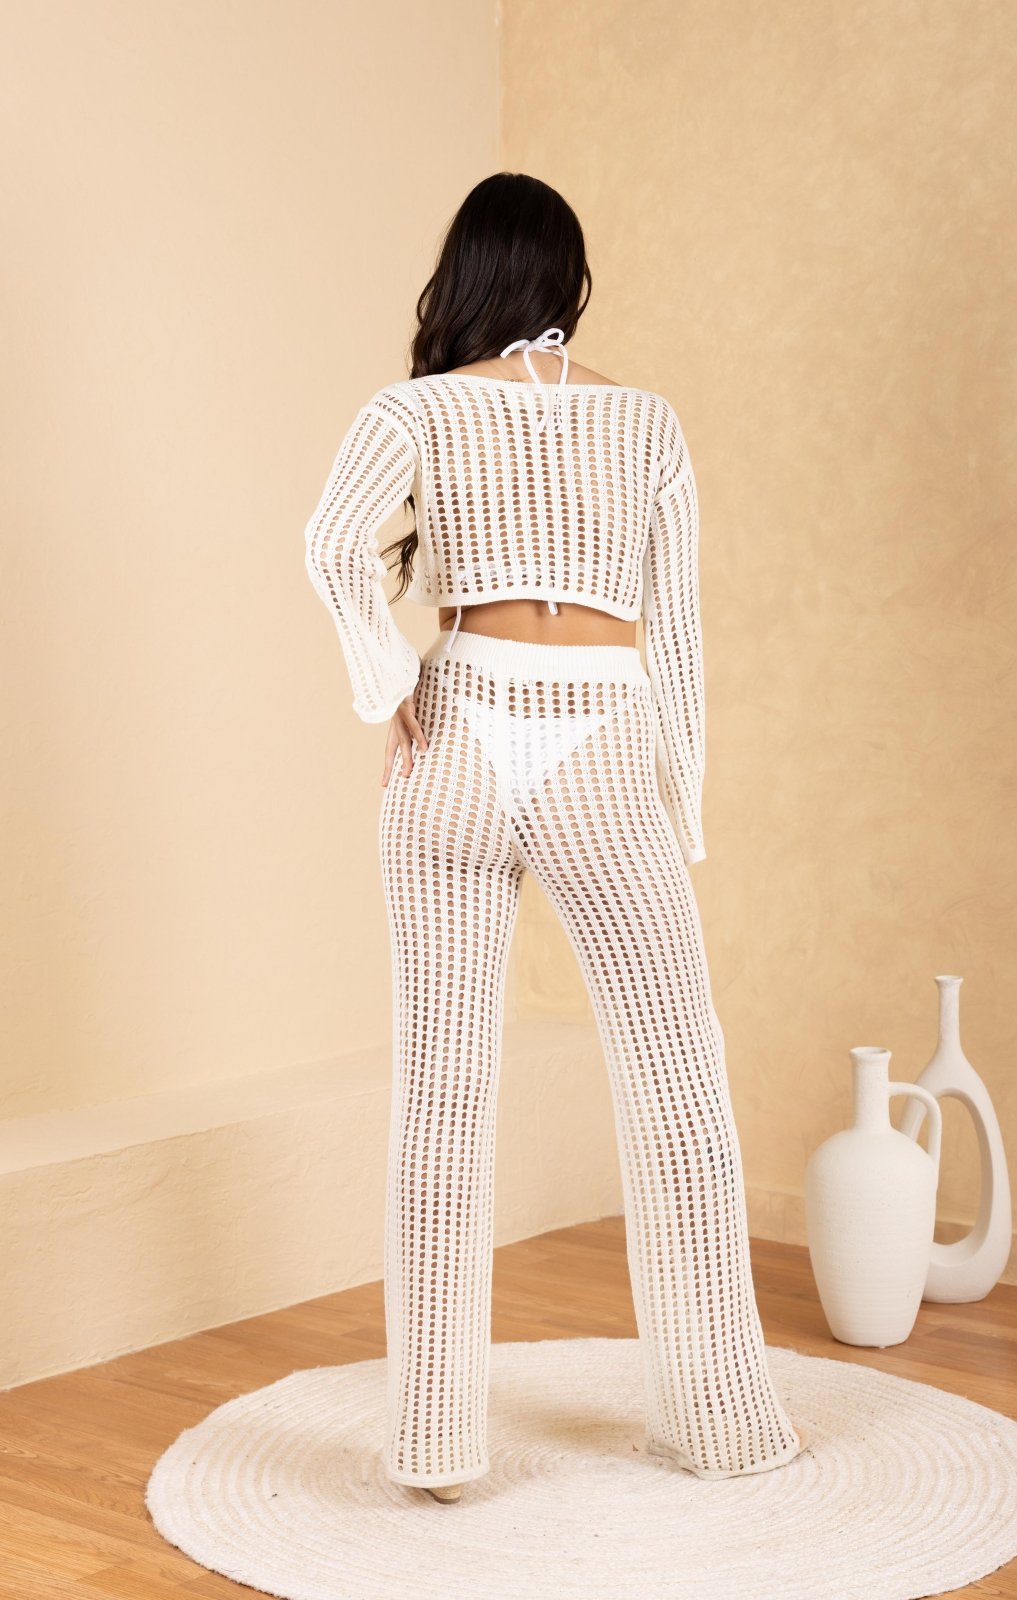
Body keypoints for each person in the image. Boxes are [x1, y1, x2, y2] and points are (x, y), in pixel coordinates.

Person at [302, 171, 804, 1504]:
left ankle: (433, 1445)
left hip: (456, 734)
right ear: (569, 281)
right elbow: (677, 631)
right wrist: (677, 794)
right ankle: (723, 1424)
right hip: (599, 740)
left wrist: (389, 684)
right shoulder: (644, 422)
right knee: (677, 1087)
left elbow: (331, 544)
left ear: (464, 277)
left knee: (440, 1098)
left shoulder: (415, 409)